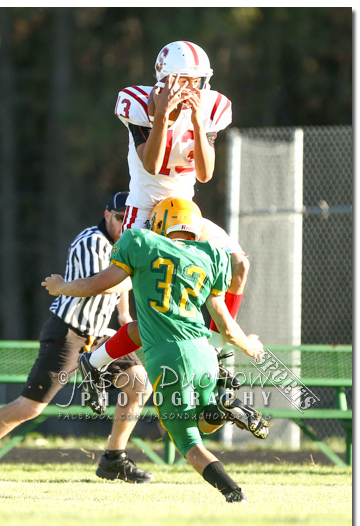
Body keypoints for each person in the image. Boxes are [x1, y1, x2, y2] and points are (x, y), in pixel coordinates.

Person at [43, 198, 269, 503]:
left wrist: (61, 286)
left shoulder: (141, 242)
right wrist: (249, 344)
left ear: (162, 223)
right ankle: (221, 408)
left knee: (188, 442)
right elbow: (225, 324)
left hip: (167, 357)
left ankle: (234, 492)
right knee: (203, 421)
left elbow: (98, 284)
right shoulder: (211, 255)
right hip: (203, 353)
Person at [0, 192, 153, 484]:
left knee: (139, 385)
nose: (126, 226)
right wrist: (141, 273)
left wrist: (124, 316)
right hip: (69, 332)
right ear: (107, 214)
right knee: (30, 407)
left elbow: (120, 282)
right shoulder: (91, 241)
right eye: (121, 219)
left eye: (131, 221)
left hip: (99, 335)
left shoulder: (125, 242)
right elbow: (98, 284)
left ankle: (114, 458)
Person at [115, 40, 249, 343]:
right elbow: (151, 164)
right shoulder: (139, 104)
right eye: (182, 79)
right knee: (151, 313)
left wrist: (199, 124)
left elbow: (205, 173)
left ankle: (218, 350)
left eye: (195, 80)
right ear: (163, 79)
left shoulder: (211, 107)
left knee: (239, 264)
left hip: (185, 213)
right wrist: (162, 115)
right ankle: (96, 360)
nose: (190, 87)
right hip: (145, 210)